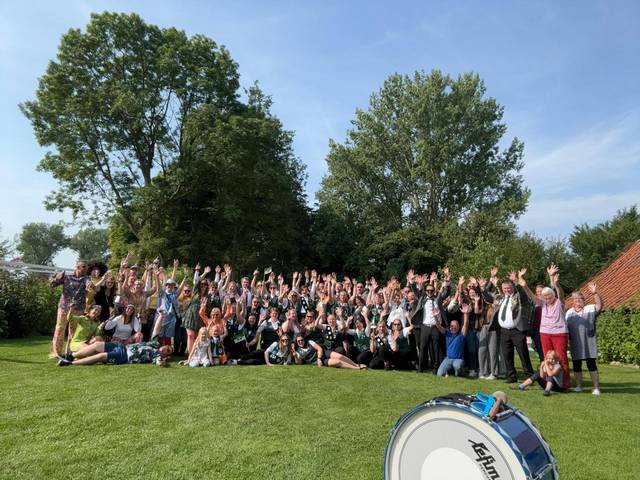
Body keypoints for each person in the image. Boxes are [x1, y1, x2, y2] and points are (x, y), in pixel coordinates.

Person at [518, 266, 570, 390]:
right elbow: (532, 297)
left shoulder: (559, 303)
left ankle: (565, 384)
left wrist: (556, 284)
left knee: (561, 358)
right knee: (547, 358)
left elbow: (560, 294)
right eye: (545, 297)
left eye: (549, 296)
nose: (547, 299)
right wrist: (525, 286)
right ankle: (548, 382)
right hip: (545, 333)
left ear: (553, 295)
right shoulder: (543, 303)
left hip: (559, 333)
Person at [57, 312, 172, 366]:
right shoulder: (154, 344)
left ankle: (71, 363)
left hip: (125, 356)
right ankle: (70, 356)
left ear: (166, 354)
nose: (166, 348)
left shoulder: (156, 356)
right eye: (168, 346)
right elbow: (156, 330)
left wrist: (163, 361)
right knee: (97, 345)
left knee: (100, 356)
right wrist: (161, 316)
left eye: (168, 350)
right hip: (122, 347)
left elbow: (159, 363)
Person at [482, 267, 534, 384]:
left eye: (508, 288)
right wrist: (485, 286)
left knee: (523, 354)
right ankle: (511, 376)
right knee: (507, 354)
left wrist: (516, 280)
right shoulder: (500, 298)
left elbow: (522, 293)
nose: (507, 290)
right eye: (504, 288)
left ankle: (529, 376)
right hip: (504, 331)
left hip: (517, 330)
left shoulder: (517, 297)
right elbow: (487, 297)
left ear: (512, 288)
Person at [407, 269, 451, 374]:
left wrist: (447, 282)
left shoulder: (438, 298)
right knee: (422, 348)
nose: (430, 292)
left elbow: (447, 292)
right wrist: (412, 281)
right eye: (428, 290)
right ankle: (421, 368)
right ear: (426, 291)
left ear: (434, 291)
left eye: (431, 290)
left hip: (436, 326)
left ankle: (436, 368)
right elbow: (415, 290)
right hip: (425, 327)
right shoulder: (422, 298)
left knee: (436, 348)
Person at [566, 282, 603, 395]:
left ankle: (596, 388)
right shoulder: (569, 313)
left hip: (589, 342)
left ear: (584, 300)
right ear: (573, 301)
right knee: (576, 365)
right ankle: (578, 386)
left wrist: (595, 293)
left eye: (580, 298)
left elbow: (599, 306)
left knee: (591, 365)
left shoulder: (590, 308)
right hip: (575, 343)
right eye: (576, 299)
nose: (578, 301)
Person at [50, 260, 92, 356]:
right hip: (64, 307)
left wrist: (90, 286)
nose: (86, 269)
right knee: (59, 329)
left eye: (86, 267)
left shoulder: (87, 278)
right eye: (84, 267)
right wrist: (56, 279)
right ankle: (56, 353)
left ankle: (70, 353)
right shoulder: (66, 276)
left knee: (73, 332)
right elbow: (52, 285)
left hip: (78, 308)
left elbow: (89, 283)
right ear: (77, 267)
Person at [292, 333, 365, 369]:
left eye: (302, 340)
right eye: (298, 341)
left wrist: (319, 358)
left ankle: (356, 364)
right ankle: (355, 368)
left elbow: (319, 349)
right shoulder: (298, 351)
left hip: (322, 354)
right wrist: (295, 357)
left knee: (340, 356)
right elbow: (299, 363)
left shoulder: (309, 342)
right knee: (337, 362)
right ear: (296, 342)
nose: (300, 342)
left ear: (304, 339)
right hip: (317, 361)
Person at [435, 304, 470, 376]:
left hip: (458, 359)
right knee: (439, 374)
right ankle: (450, 371)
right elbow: (438, 326)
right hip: (448, 359)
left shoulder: (461, 334)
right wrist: (435, 317)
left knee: (457, 367)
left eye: (455, 326)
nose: (453, 327)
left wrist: (466, 314)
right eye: (451, 326)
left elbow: (465, 324)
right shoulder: (447, 333)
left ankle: (460, 372)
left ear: (458, 327)